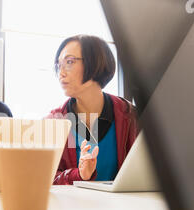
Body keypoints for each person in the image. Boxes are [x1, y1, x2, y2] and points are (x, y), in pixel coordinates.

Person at [47, 35, 138, 185]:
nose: (61, 73)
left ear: (95, 63)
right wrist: (79, 174)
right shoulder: (54, 121)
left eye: (69, 62)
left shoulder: (130, 116)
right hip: (73, 207)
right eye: (59, 65)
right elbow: (45, 178)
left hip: (123, 207)